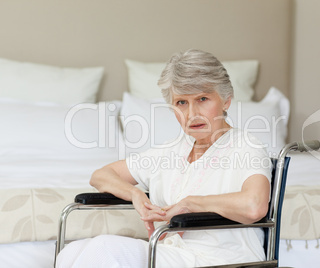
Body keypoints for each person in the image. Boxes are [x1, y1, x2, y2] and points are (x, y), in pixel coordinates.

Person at [56, 49, 271, 267]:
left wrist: (190, 204)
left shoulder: (246, 146)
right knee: (73, 251)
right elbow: (100, 176)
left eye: (202, 99)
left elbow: (254, 206)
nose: (192, 114)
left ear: (226, 101)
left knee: (102, 250)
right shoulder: (169, 152)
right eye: (181, 103)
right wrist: (134, 193)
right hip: (169, 254)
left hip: (222, 260)